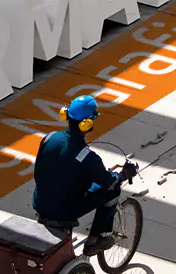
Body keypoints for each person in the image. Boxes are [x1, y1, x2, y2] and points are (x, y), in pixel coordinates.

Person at [33, 95, 133, 251]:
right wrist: (122, 175)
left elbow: (38, 173)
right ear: (87, 124)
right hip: (63, 211)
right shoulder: (87, 157)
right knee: (113, 189)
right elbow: (109, 182)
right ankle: (95, 239)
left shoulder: (49, 138)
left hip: (40, 202)